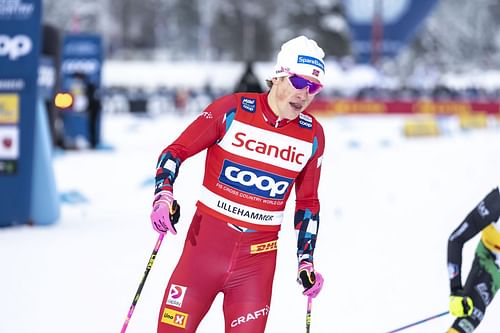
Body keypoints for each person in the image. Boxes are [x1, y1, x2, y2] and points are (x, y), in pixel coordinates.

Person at [150, 35, 326, 333]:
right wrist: (163, 195)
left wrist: (305, 261)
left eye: (314, 87)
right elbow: (174, 152)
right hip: (202, 253)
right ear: (279, 76)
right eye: (299, 82)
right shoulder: (233, 110)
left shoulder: (312, 136)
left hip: (256, 266)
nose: (305, 94)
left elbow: (307, 203)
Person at [446, 186, 500, 333]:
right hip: (491, 262)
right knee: (472, 313)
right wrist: (456, 290)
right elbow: (456, 239)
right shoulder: (496, 204)